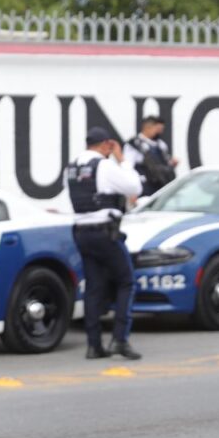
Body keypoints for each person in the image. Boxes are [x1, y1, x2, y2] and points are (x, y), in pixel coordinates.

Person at [65, 127, 143, 360]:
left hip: (81, 232)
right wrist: (123, 160)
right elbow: (134, 188)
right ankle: (120, 339)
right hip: (104, 232)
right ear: (106, 144)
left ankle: (94, 345)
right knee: (126, 281)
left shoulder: (72, 167)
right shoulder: (105, 165)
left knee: (93, 288)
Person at [124, 115, 178, 196]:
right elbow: (127, 167)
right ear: (148, 128)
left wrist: (172, 164)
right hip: (144, 187)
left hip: (161, 185)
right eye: (157, 129)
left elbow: (164, 163)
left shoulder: (161, 145)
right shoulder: (134, 144)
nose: (159, 132)